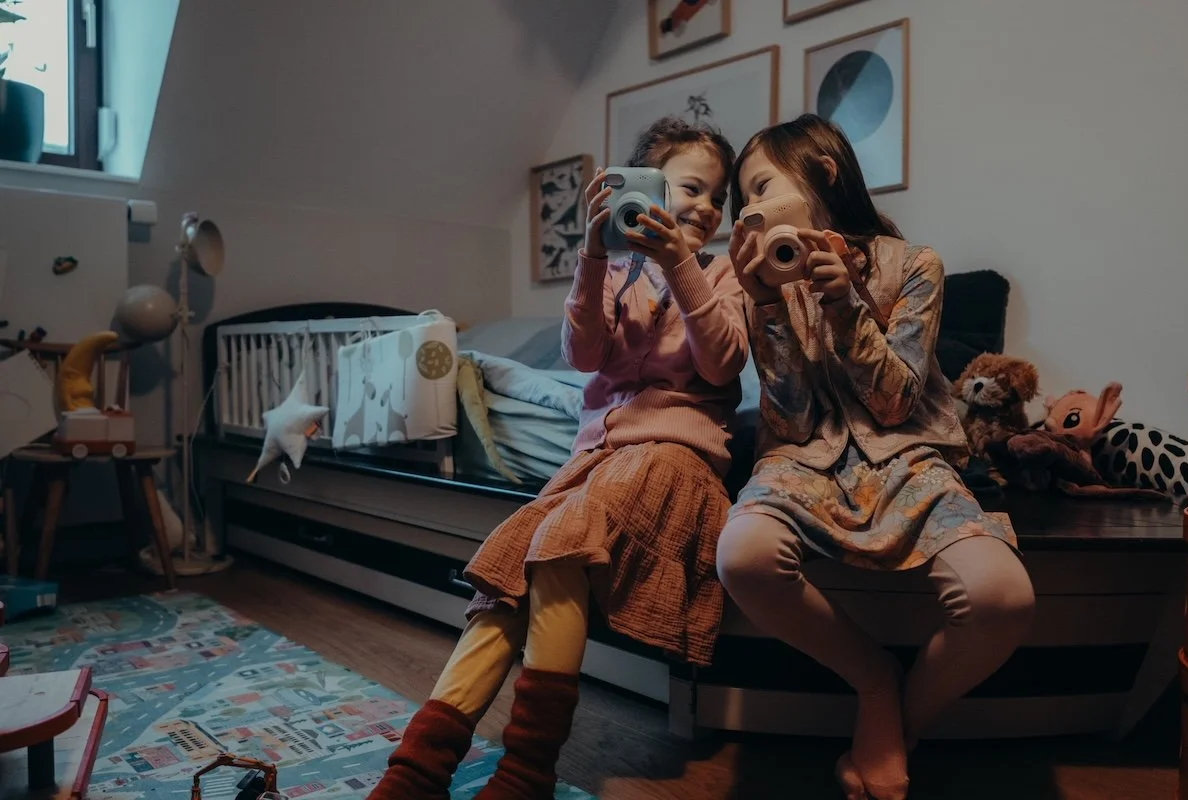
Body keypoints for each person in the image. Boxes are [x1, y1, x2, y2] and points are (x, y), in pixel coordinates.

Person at [368, 116, 747, 800]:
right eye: (690, 188)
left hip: (675, 460)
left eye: (717, 198)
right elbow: (583, 356)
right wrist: (594, 254)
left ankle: (525, 772)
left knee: (561, 540)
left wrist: (679, 266)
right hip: (595, 464)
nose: (706, 208)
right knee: (508, 578)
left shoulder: (723, 275)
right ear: (647, 190)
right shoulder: (615, 268)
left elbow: (722, 366)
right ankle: (416, 771)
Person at [715, 114, 1036, 800]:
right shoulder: (765, 282)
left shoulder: (915, 265)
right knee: (740, 556)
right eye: (744, 198)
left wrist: (842, 303)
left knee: (1001, 597)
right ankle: (874, 677)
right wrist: (769, 307)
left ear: (823, 173)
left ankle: (895, 717)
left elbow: (894, 404)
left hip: (908, 460)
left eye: (763, 185)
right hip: (801, 465)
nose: (751, 208)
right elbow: (792, 418)